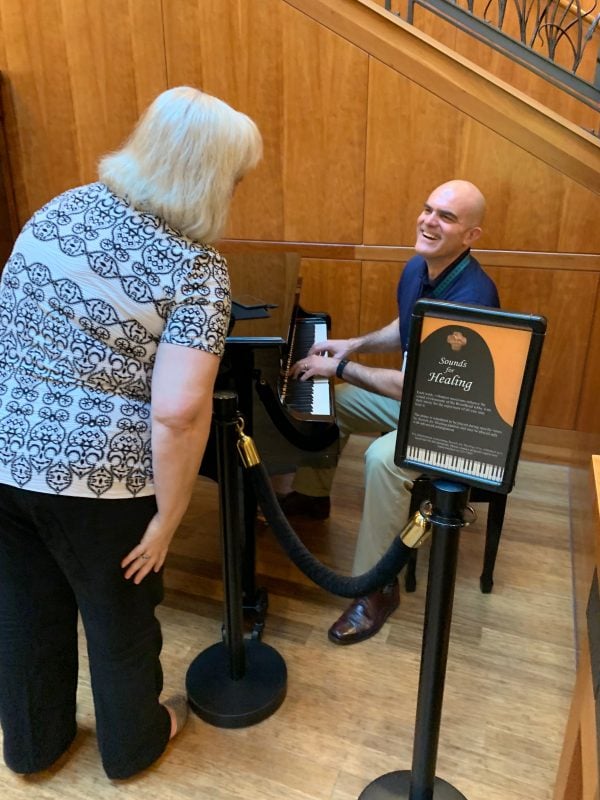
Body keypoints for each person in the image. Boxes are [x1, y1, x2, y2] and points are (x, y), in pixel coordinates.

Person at [0, 87, 262, 778]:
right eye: (236, 177)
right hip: (98, 480)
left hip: (6, 454)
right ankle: (135, 745)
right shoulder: (198, 269)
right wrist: (170, 517)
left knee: (25, 611)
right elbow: (178, 411)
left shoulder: (61, 210)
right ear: (213, 179)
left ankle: (33, 746)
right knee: (120, 615)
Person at [285, 180, 499, 645]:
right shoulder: (420, 267)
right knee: (334, 406)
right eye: (427, 209)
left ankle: (376, 588)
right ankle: (311, 496)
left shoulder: (472, 298)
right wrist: (355, 344)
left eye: (446, 217)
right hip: (418, 404)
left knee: (383, 459)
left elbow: (412, 386)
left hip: (454, 422)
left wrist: (341, 365)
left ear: (472, 236)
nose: (429, 220)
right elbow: (407, 326)